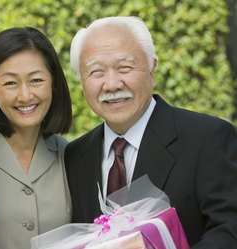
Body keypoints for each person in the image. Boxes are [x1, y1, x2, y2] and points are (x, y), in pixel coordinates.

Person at [64, 16, 237, 248]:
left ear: (152, 66)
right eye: (96, 72)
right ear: (82, 80)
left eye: (125, 67)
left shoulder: (208, 138)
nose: (112, 84)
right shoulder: (76, 155)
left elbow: (229, 228)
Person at [0, 27, 73, 249]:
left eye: (36, 80)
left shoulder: (70, 156)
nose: (25, 96)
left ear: (53, 82)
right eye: (10, 83)